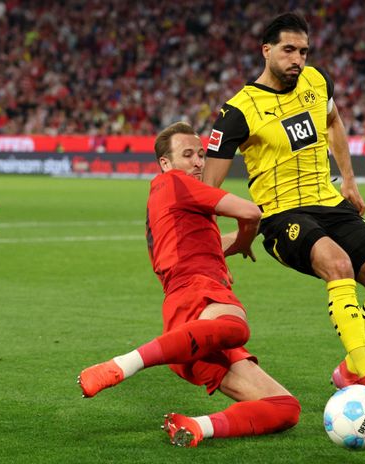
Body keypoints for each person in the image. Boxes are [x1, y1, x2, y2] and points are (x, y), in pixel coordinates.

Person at [203, 13, 365, 399]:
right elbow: (208, 189)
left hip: (328, 199)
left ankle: (349, 370)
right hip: (281, 214)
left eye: (304, 51)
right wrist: (229, 237)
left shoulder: (317, 80)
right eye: (289, 50)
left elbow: (334, 122)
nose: (298, 59)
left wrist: (348, 180)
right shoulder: (239, 111)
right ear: (267, 51)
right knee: (337, 264)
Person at [78, 122, 300, 447]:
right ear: (165, 164)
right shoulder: (174, 181)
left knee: (285, 409)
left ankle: (197, 426)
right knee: (237, 327)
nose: (198, 162)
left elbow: (201, 244)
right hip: (196, 294)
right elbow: (251, 213)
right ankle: (121, 365)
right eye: (187, 155)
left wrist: (232, 246)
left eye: (201, 154)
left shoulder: (173, 198)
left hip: (190, 325)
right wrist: (243, 239)